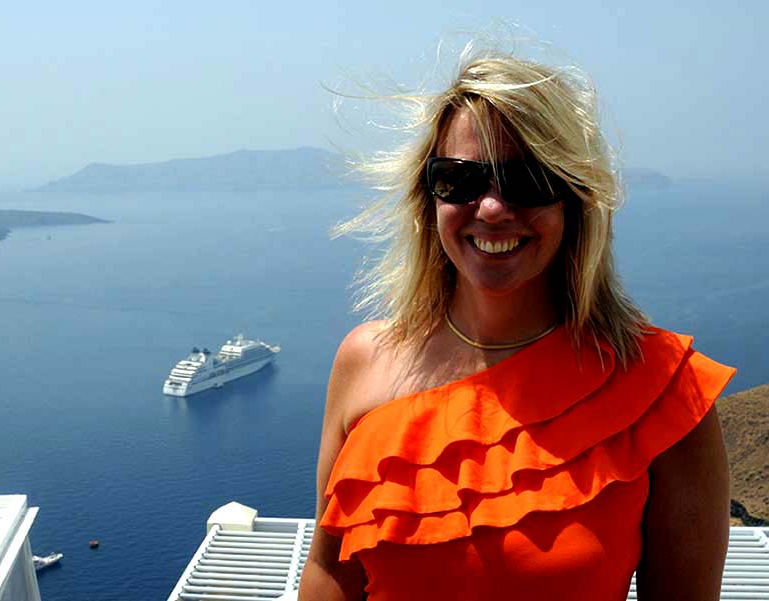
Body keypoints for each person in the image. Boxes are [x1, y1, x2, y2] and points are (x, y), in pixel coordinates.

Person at [298, 53, 734, 600]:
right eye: (458, 179)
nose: (493, 207)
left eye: (527, 179)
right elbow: (331, 572)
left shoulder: (660, 386)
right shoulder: (365, 362)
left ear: (575, 199)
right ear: (427, 195)